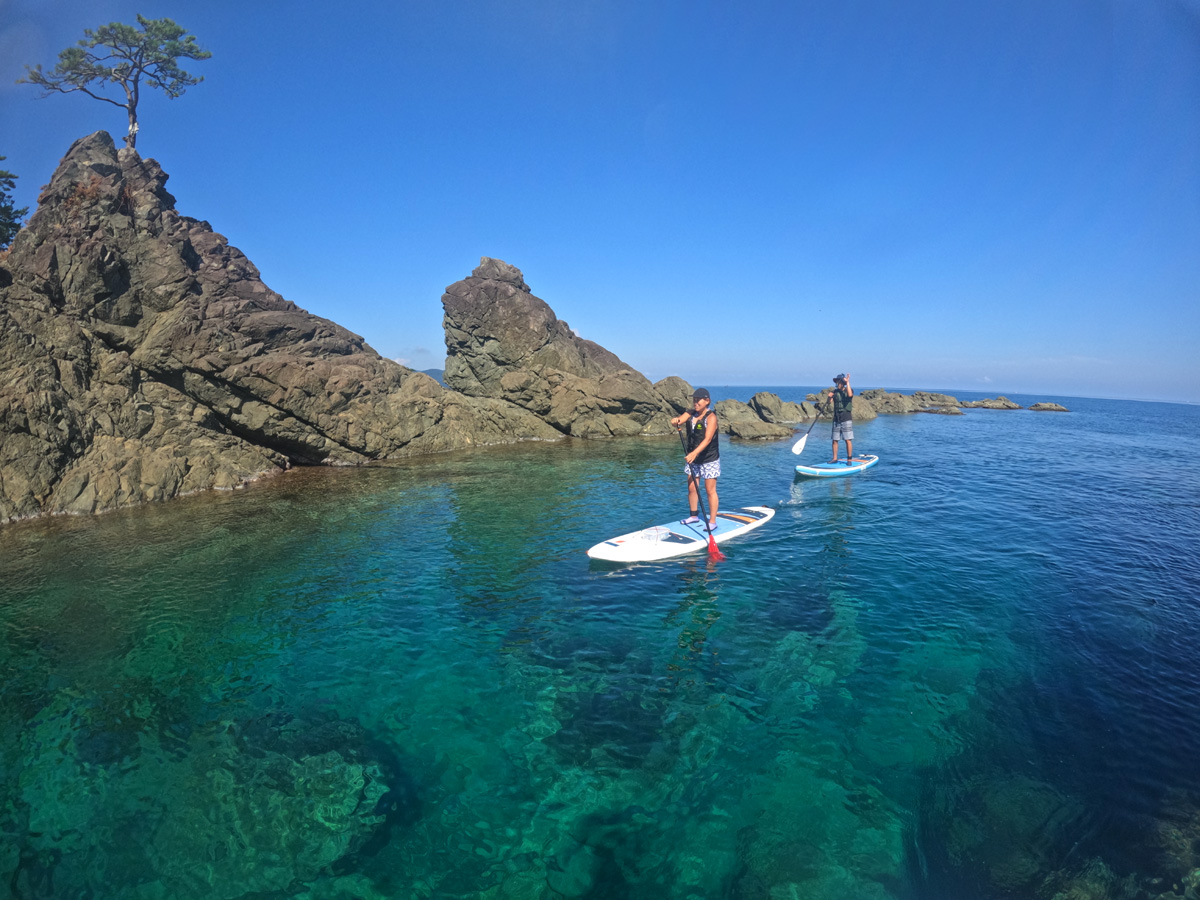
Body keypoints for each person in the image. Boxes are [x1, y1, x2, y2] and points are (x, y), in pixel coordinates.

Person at [670, 388, 720, 531]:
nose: (695, 403)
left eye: (698, 400)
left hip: (709, 458)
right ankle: (693, 516)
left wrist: (694, 453)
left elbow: (708, 439)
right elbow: (679, 420)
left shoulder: (711, 417)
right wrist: (675, 421)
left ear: (707, 401)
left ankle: (712, 521)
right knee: (692, 488)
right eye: (694, 400)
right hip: (694, 458)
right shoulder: (691, 413)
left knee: (710, 490)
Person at [828, 373, 853, 463]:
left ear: (842, 383)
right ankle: (835, 458)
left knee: (847, 439)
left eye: (839, 382)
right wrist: (829, 397)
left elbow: (850, 395)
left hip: (846, 418)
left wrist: (848, 382)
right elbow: (829, 402)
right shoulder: (835, 392)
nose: (837, 384)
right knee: (835, 440)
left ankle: (849, 459)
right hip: (836, 418)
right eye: (837, 382)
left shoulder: (848, 390)